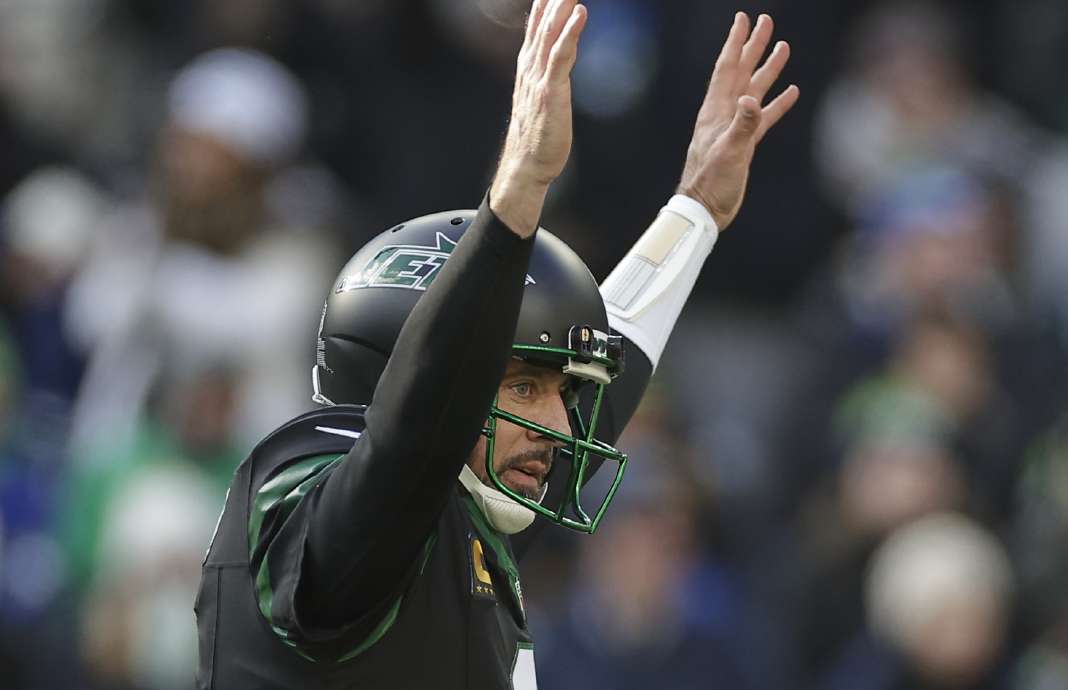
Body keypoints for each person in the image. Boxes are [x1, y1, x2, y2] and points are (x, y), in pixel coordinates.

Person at [194, 2, 799, 688]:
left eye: (560, 393)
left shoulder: (464, 519)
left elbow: (601, 363)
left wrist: (695, 211)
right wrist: (516, 195)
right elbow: (410, 438)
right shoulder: (310, 491)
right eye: (525, 387)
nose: (559, 422)